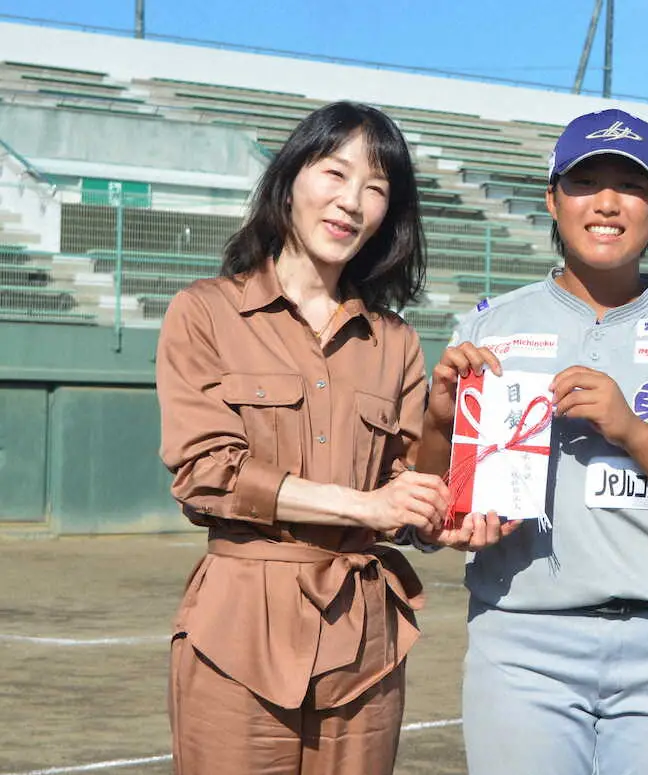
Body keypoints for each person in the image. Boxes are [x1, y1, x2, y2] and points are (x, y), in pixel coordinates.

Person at [415, 108, 648, 774]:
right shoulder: (489, 329)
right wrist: (439, 423)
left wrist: (631, 430)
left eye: (631, 186)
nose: (607, 203)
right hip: (522, 641)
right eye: (585, 182)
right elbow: (434, 508)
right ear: (552, 199)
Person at [156, 101, 511, 775]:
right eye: (335, 172)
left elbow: (404, 490)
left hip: (364, 646)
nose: (352, 201)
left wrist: (442, 514)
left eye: (376, 187)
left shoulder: (396, 342)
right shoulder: (203, 312)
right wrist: (365, 506)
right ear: (290, 177)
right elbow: (207, 472)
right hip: (237, 634)